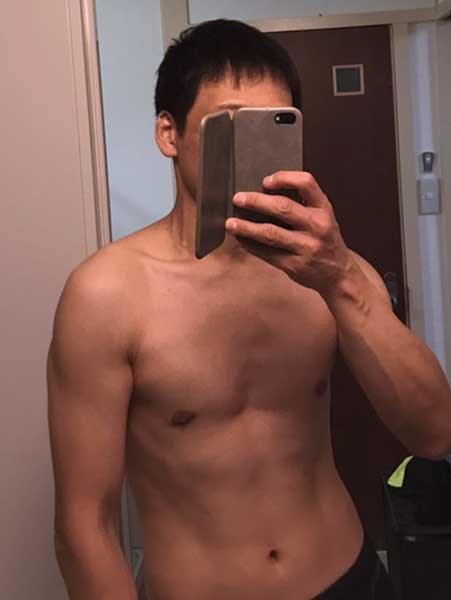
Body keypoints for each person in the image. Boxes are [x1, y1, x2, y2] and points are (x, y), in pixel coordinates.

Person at [47, 19, 451, 600]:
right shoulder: (105, 295)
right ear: (168, 133)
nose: (249, 148)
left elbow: (434, 431)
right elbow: (83, 525)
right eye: (228, 123)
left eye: (272, 124)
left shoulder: (327, 268)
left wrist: (339, 279)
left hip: (352, 581)